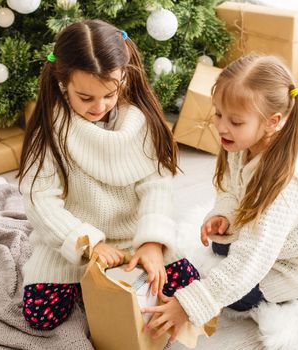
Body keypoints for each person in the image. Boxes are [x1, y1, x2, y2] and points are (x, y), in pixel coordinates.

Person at [142, 55, 298, 341]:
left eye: (234, 121)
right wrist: (223, 214)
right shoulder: (243, 142)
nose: (221, 127)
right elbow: (232, 189)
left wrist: (190, 304)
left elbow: (250, 261)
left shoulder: (282, 186)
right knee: (222, 248)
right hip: (280, 237)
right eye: (218, 114)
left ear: (273, 122)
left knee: (238, 295)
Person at [17, 19, 200, 331]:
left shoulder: (140, 122)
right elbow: (40, 200)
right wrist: (88, 244)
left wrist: (152, 242)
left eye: (109, 94)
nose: (98, 106)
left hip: (134, 238)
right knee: (40, 316)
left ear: (123, 78)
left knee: (190, 291)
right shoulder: (51, 130)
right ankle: (94, 288)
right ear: (63, 84)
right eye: (85, 97)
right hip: (77, 244)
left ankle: (111, 287)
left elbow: (157, 185)